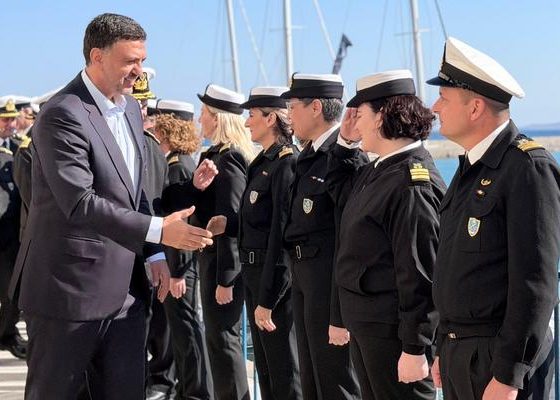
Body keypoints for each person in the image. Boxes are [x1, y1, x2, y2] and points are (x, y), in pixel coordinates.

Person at [10, 13, 216, 399]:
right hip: (68, 292)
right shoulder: (62, 113)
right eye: (129, 61)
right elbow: (80, 202)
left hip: (127, 294)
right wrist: (160, 230)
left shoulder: (132, 110)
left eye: (142, 60)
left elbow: (134, 192)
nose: (138, 71)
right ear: (97, 57)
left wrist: (155, 254)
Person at [428, 37, 560, 400]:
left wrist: (509, 373)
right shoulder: (470, 169)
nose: (435, 107)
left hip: (497, 363)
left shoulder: (527, 168)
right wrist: (443, 345)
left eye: (443, 97)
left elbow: (535, 283)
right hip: (460, 355)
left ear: (474, 108)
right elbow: (454, 270)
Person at [329, 70, 445, 400]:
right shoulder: (378, 170)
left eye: (360, 115)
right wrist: (345, 143)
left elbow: (419, 273)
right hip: (369, 327)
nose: (355, 123)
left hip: (392, 335)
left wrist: (414, 348)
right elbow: (337, 189)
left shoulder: (411, 182)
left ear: (381, 116)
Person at [163, 84, 254, 400]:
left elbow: (230, 222)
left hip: (221, 266)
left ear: (218, 118)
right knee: (216, 340)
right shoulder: (212, 156)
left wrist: (227, 278)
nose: (200, 119)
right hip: (210, 261)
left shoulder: (229, 158)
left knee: (224, 340)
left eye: (204, 113)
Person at [281, 73, 365, 400]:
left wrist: (339, 314)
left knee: (336, 381)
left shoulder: (343, 158)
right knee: (312, 380)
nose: (289, 115)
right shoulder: (308, 156)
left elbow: (349, 240)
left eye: (293, 107)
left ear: (315, 107)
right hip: (304, 280)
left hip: (329, 286)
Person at [238, 86, 302, 400]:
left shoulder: (286, 164)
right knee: (266, 371)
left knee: (284, 371)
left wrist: (268, 298)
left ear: (270, 118)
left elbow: (281, 235)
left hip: (273, 283)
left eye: (251, 115)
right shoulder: (263, 162)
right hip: (254, 276)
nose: (246, 122)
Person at [155, 101, 214, 400]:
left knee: (187, 332)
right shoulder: (180, 163)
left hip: (180, 266)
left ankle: (196, 393)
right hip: (179, 264)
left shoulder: (178, 167)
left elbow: (183, 221)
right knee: (182, 333)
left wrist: (178, 271)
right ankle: (186, 389)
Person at [131, 69, 177, 400]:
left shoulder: (150, 147)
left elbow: (158, 202)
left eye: (145, 104)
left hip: (143, 260)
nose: (142, 110)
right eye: (136, 103)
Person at [0, 97, 26, 360]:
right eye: (5, 119)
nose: (10, 124)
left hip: (12, 235)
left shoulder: (19, 148)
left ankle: (6, 334)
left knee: (13, 291)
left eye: (12, 119)